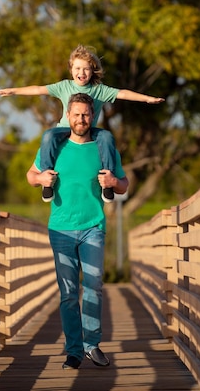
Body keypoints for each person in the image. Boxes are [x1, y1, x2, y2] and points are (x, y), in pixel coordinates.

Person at [26, 93, 129, 370]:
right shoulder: (55, 146)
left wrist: (113, 181)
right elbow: (30, 175)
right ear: (68, 116)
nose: (81, 119)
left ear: (91, 116)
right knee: (69, 293)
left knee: (93, 285)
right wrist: (40, 179)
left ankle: (91, 345)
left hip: (93, 227)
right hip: (60, 229)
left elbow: (125, 184)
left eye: (86, 115)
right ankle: (73, 350)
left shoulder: (103, 147)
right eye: (76, 114)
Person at [0, 44, 162, 203]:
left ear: (92, 70)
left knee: (107, 137)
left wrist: (147, 98)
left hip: (88, 129)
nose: (81, 72)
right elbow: (38, 89)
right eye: (77, 68)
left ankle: (107, 183)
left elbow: (123, 93)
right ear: (71, 70)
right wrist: (13, 91)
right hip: (64, 129)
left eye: (86, 69)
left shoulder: (99, 90)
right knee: (48, 136)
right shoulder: (64, 86)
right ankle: (47, 180)